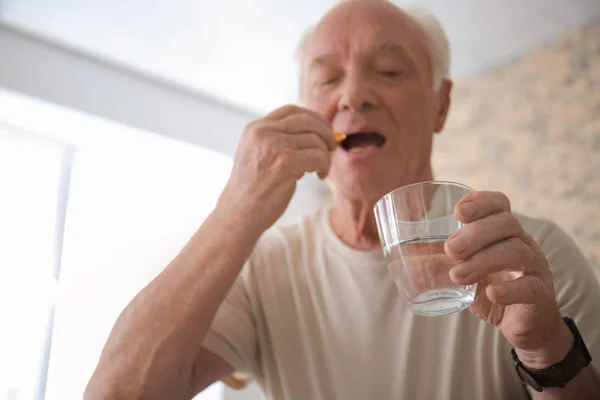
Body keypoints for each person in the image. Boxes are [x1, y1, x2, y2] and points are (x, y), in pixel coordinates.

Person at [84, 1, 600, 399]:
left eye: (389, 71)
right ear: (309, 106)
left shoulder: (531, 262)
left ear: (441, 104)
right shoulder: (262, 269)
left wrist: (544, 348)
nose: (354, 95)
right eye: (329, 78)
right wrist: (235, 211)